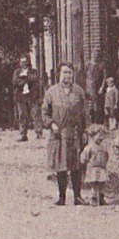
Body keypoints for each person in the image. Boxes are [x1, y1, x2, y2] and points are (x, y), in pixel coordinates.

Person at [42, 63, 89, 205]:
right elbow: (44, 113)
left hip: (75, 133)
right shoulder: (51, 92)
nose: (67, 76)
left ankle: (77, 196)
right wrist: (52, 124)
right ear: (59, 74)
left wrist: (86, 130)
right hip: (59, 134)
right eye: (64, 73)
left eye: (69, 73)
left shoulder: (79, 92)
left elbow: (85, 113)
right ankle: (62, 197)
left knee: (76, 166)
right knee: (61, 165)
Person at [80, 124, 111, 206]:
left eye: (102, 136)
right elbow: (84, 156)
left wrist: (105, 162)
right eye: (99, 135)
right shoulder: (90, 147)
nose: (101, 138)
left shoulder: (103, 146)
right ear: (93, 135)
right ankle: (93, 198)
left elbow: (106, 155)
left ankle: (101, 198)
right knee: (94, 184)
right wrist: (84, 160)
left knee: (102, 184)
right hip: (93, 168)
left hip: (101, 168)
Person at [12, 56, 41, 142]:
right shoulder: (17, 72)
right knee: (22, 115)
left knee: (35, 114)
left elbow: (35, 78)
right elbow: (15, 81)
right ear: (20, 63)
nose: (24, 64)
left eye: (25, 62)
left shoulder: (33, 71)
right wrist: (24, 81)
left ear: (28, 62)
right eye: (22, 62)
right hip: (21, 97)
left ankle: (39, 133)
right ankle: (23, 135)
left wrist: (26, 76)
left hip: (32, 96)